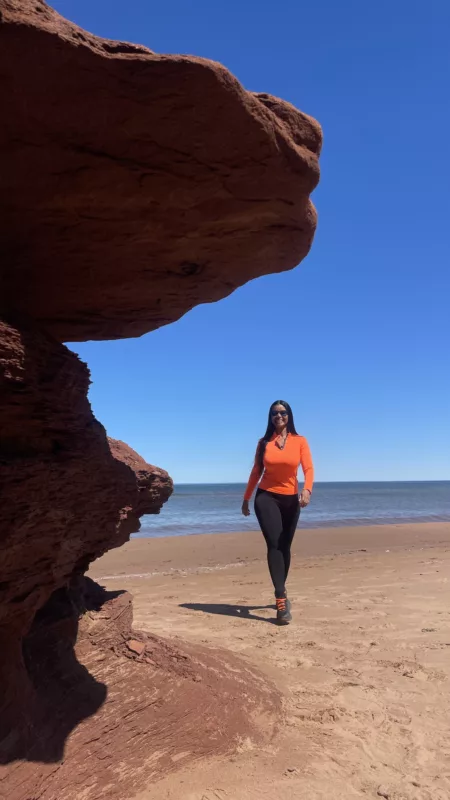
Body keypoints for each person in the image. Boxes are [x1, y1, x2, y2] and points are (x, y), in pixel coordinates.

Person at [241, 400, 314, 625]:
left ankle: (281, 588)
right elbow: (256, 471)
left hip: (290, 500)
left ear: (289, 415)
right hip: (267, 497)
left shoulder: (300, 441)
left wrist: (307, 490)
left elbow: (308, 468)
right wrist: (246, 498)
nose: (278, 416)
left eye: (282, 413)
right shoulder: (264, 443)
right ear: (270, 417)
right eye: (274, 413)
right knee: (273, 544)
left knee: (285, 547)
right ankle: (280, 597)